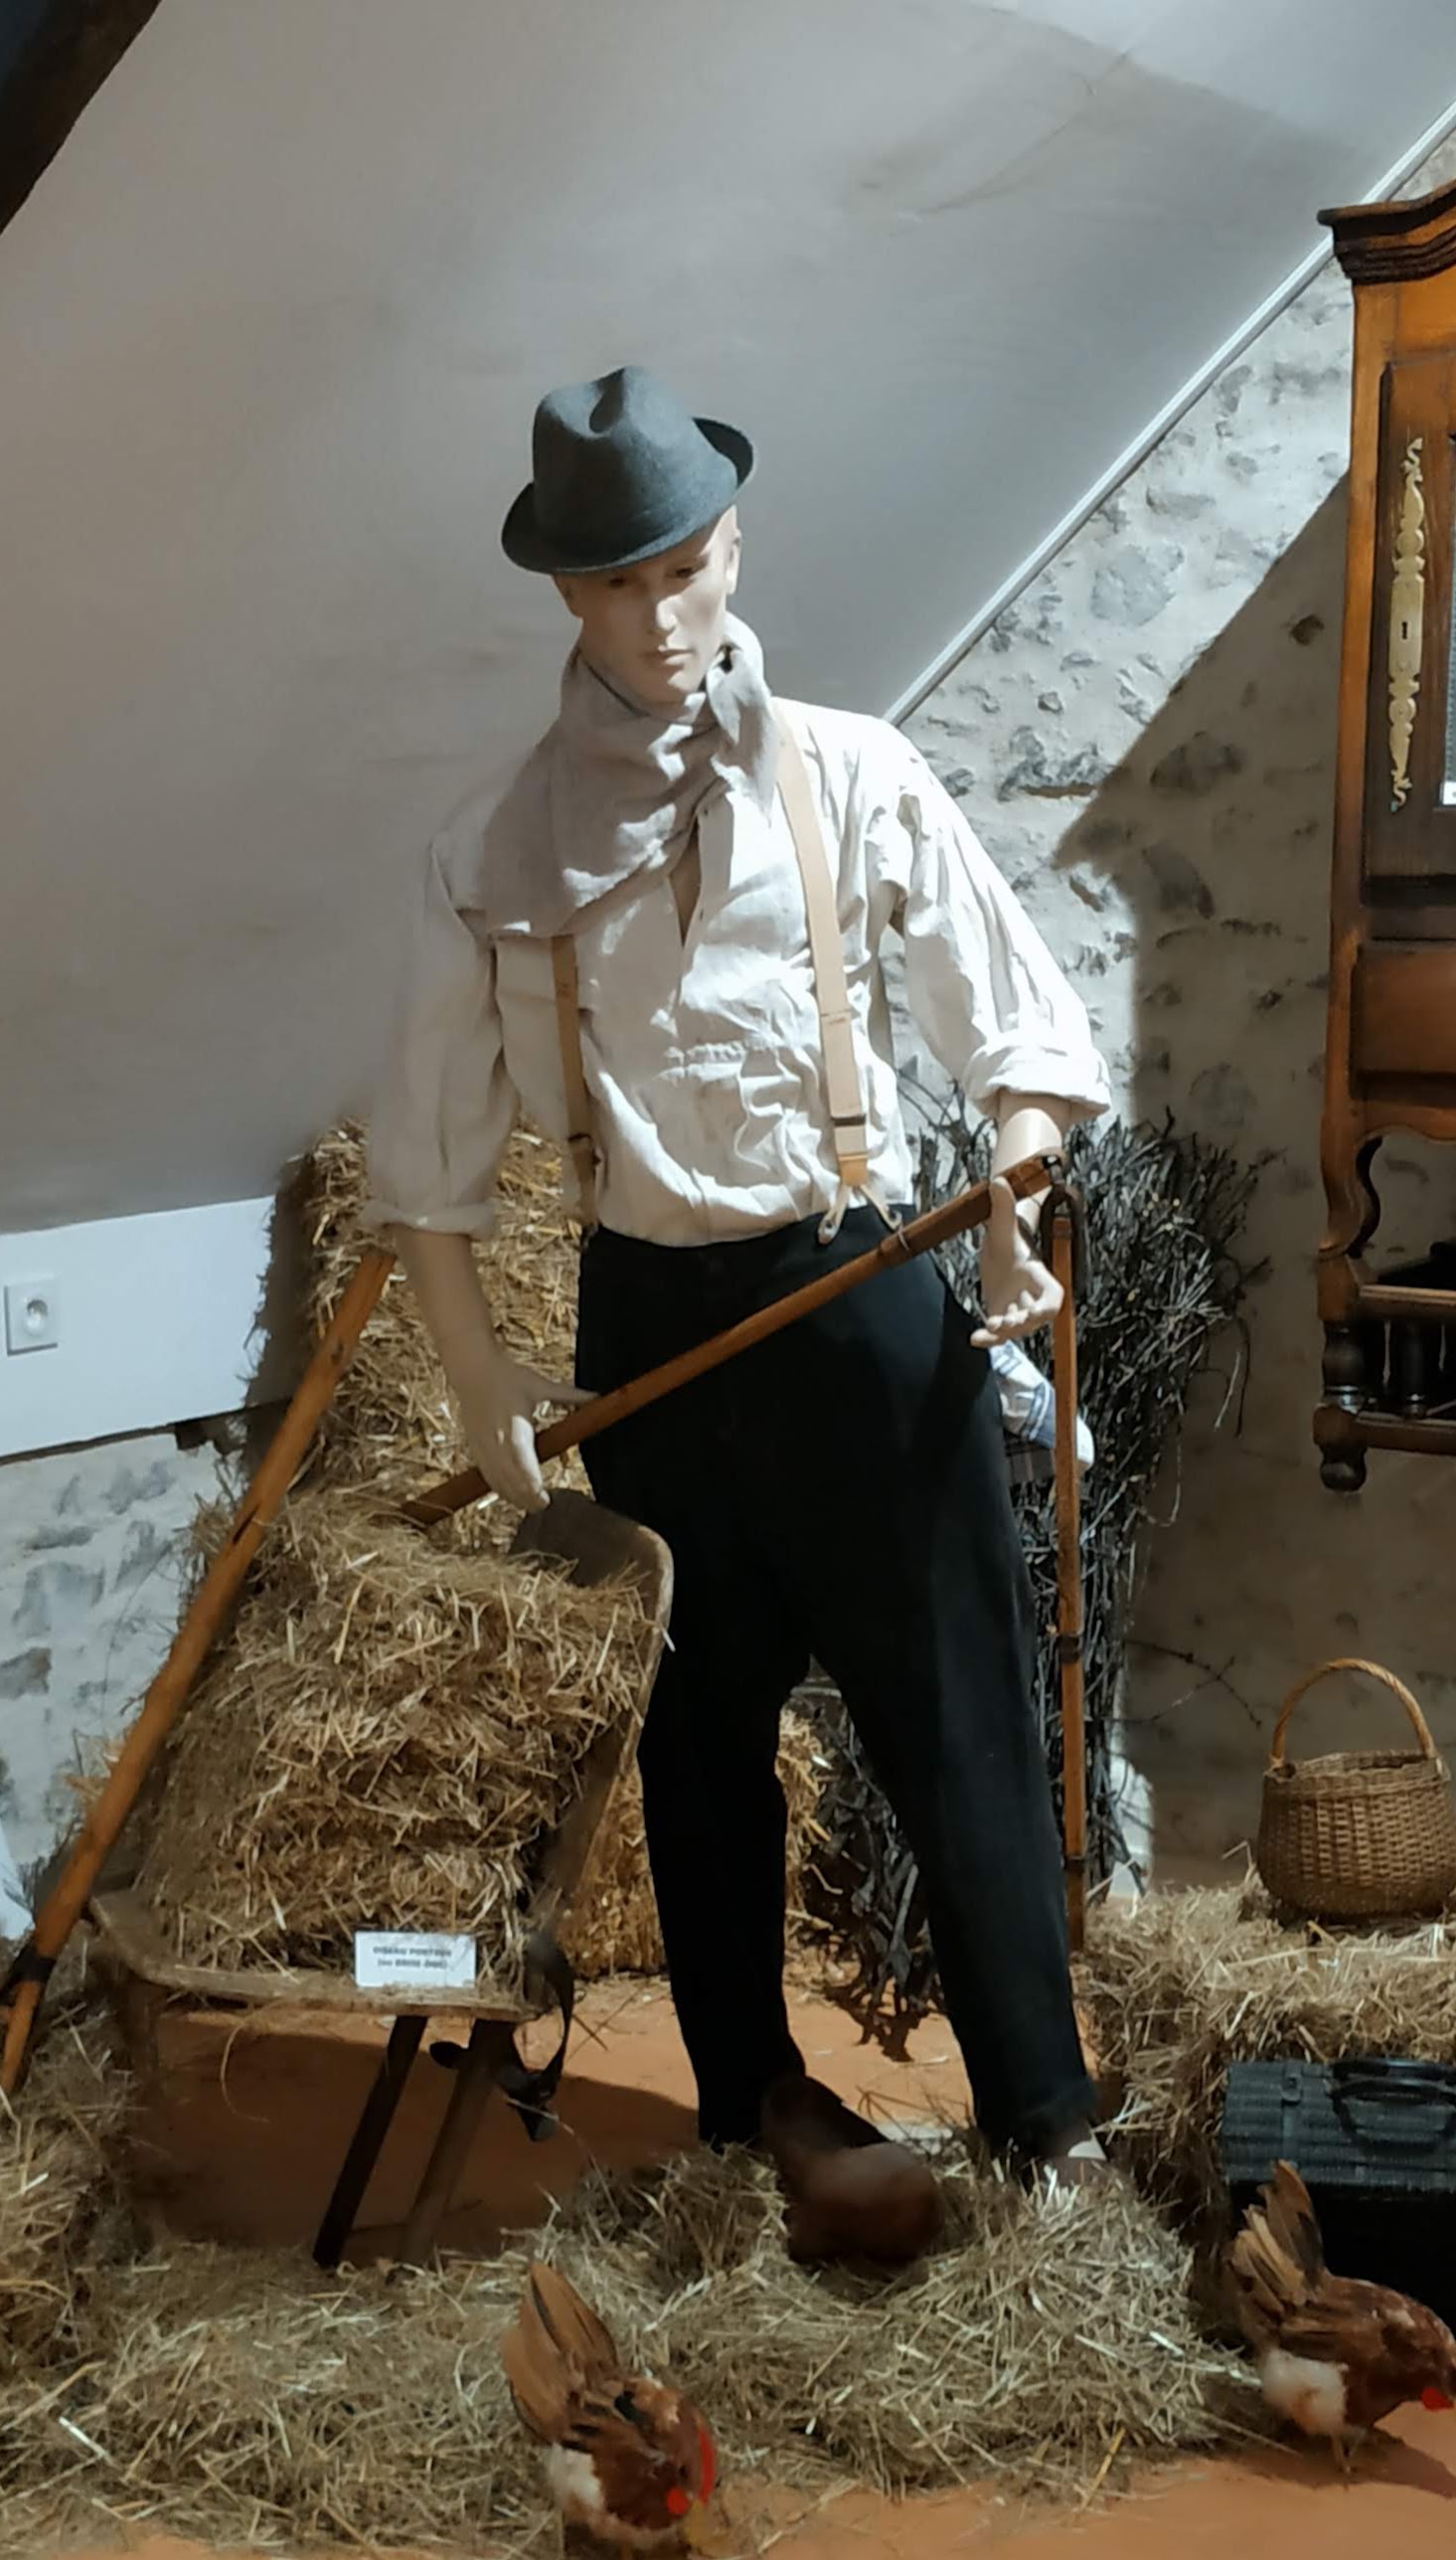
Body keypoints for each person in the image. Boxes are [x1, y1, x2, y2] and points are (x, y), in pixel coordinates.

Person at [367, 368, 1110, 2248]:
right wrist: (479, 1379)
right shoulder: (492, 850)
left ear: (734, 549)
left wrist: (1010, 1208)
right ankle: (745, 2100)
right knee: (696, 1753)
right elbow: (427, 1162)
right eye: (620, 583)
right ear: (567, 594)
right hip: (651, 1341)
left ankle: (1045, 2122)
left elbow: (1021, 1035)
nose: (662, 615)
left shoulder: (852, 776)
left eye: (686, 566)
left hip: (852, 1302)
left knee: (958, 1722)